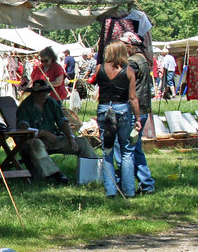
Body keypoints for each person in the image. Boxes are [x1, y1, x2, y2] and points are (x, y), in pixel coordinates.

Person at [15, 80, 97, 185]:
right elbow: (23, 128)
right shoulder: (25, 106)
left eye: (46, 93)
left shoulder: (51, 102)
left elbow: (62, 121)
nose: (44, 96)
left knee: (82, 142)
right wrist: (42, 133)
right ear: (34, 94)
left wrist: (71, 137)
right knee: (36, 144)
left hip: (54, 138)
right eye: (41, 94)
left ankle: (94, 173)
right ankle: (55, 175)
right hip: (33, 140)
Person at [96, 40, 142, 198]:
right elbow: (132, 97)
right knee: (127, 150)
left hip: (104, 109)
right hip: (122, 109)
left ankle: (110, 190)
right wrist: (137, 118)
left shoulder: (99, 68)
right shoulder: (128, 71)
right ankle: (129, 191)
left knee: (107, 150)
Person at [118, 32, 155, 195]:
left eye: (124, 46)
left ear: (130, 46)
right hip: (142, 108)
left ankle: (128, 185)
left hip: (134, 110)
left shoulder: (133, 62)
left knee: (126, 149)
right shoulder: (143, 59)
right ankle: (146, 184)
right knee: (135, 147)